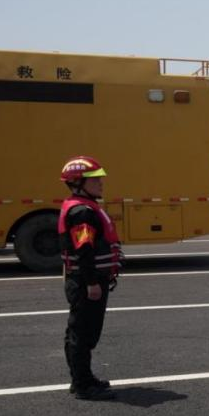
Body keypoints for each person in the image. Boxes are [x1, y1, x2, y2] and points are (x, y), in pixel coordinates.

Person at [58, 156, 122, 400]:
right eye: (95, 180)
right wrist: (92, 283)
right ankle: (82, 385)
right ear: (78, 183)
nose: (101, 182)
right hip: (86, 281)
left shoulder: (85, 207)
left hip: (86, 279)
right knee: (83, 333)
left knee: (83, 331)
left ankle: (83, 378)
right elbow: (84, 249)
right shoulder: (82, 212)